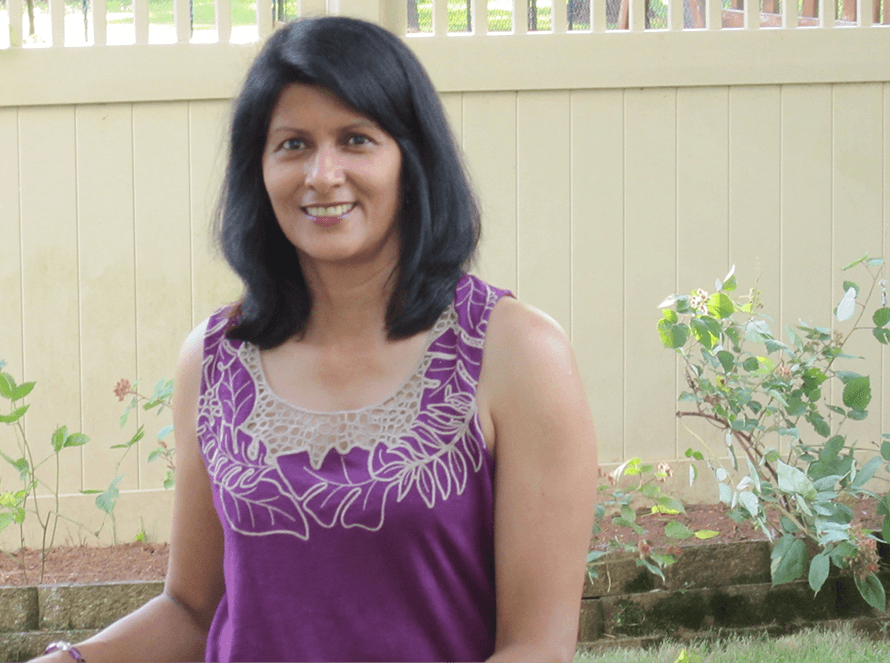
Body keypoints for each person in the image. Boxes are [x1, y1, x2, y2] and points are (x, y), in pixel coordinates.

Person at [32, 15, 597, 663]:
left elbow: (534, 647)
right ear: (260, 168)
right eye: (293, 144)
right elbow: (192, 611)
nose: (322, 174)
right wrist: (67, 659)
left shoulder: (517, 354)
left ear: (412, 160)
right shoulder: (215, 358)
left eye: (356, 139)